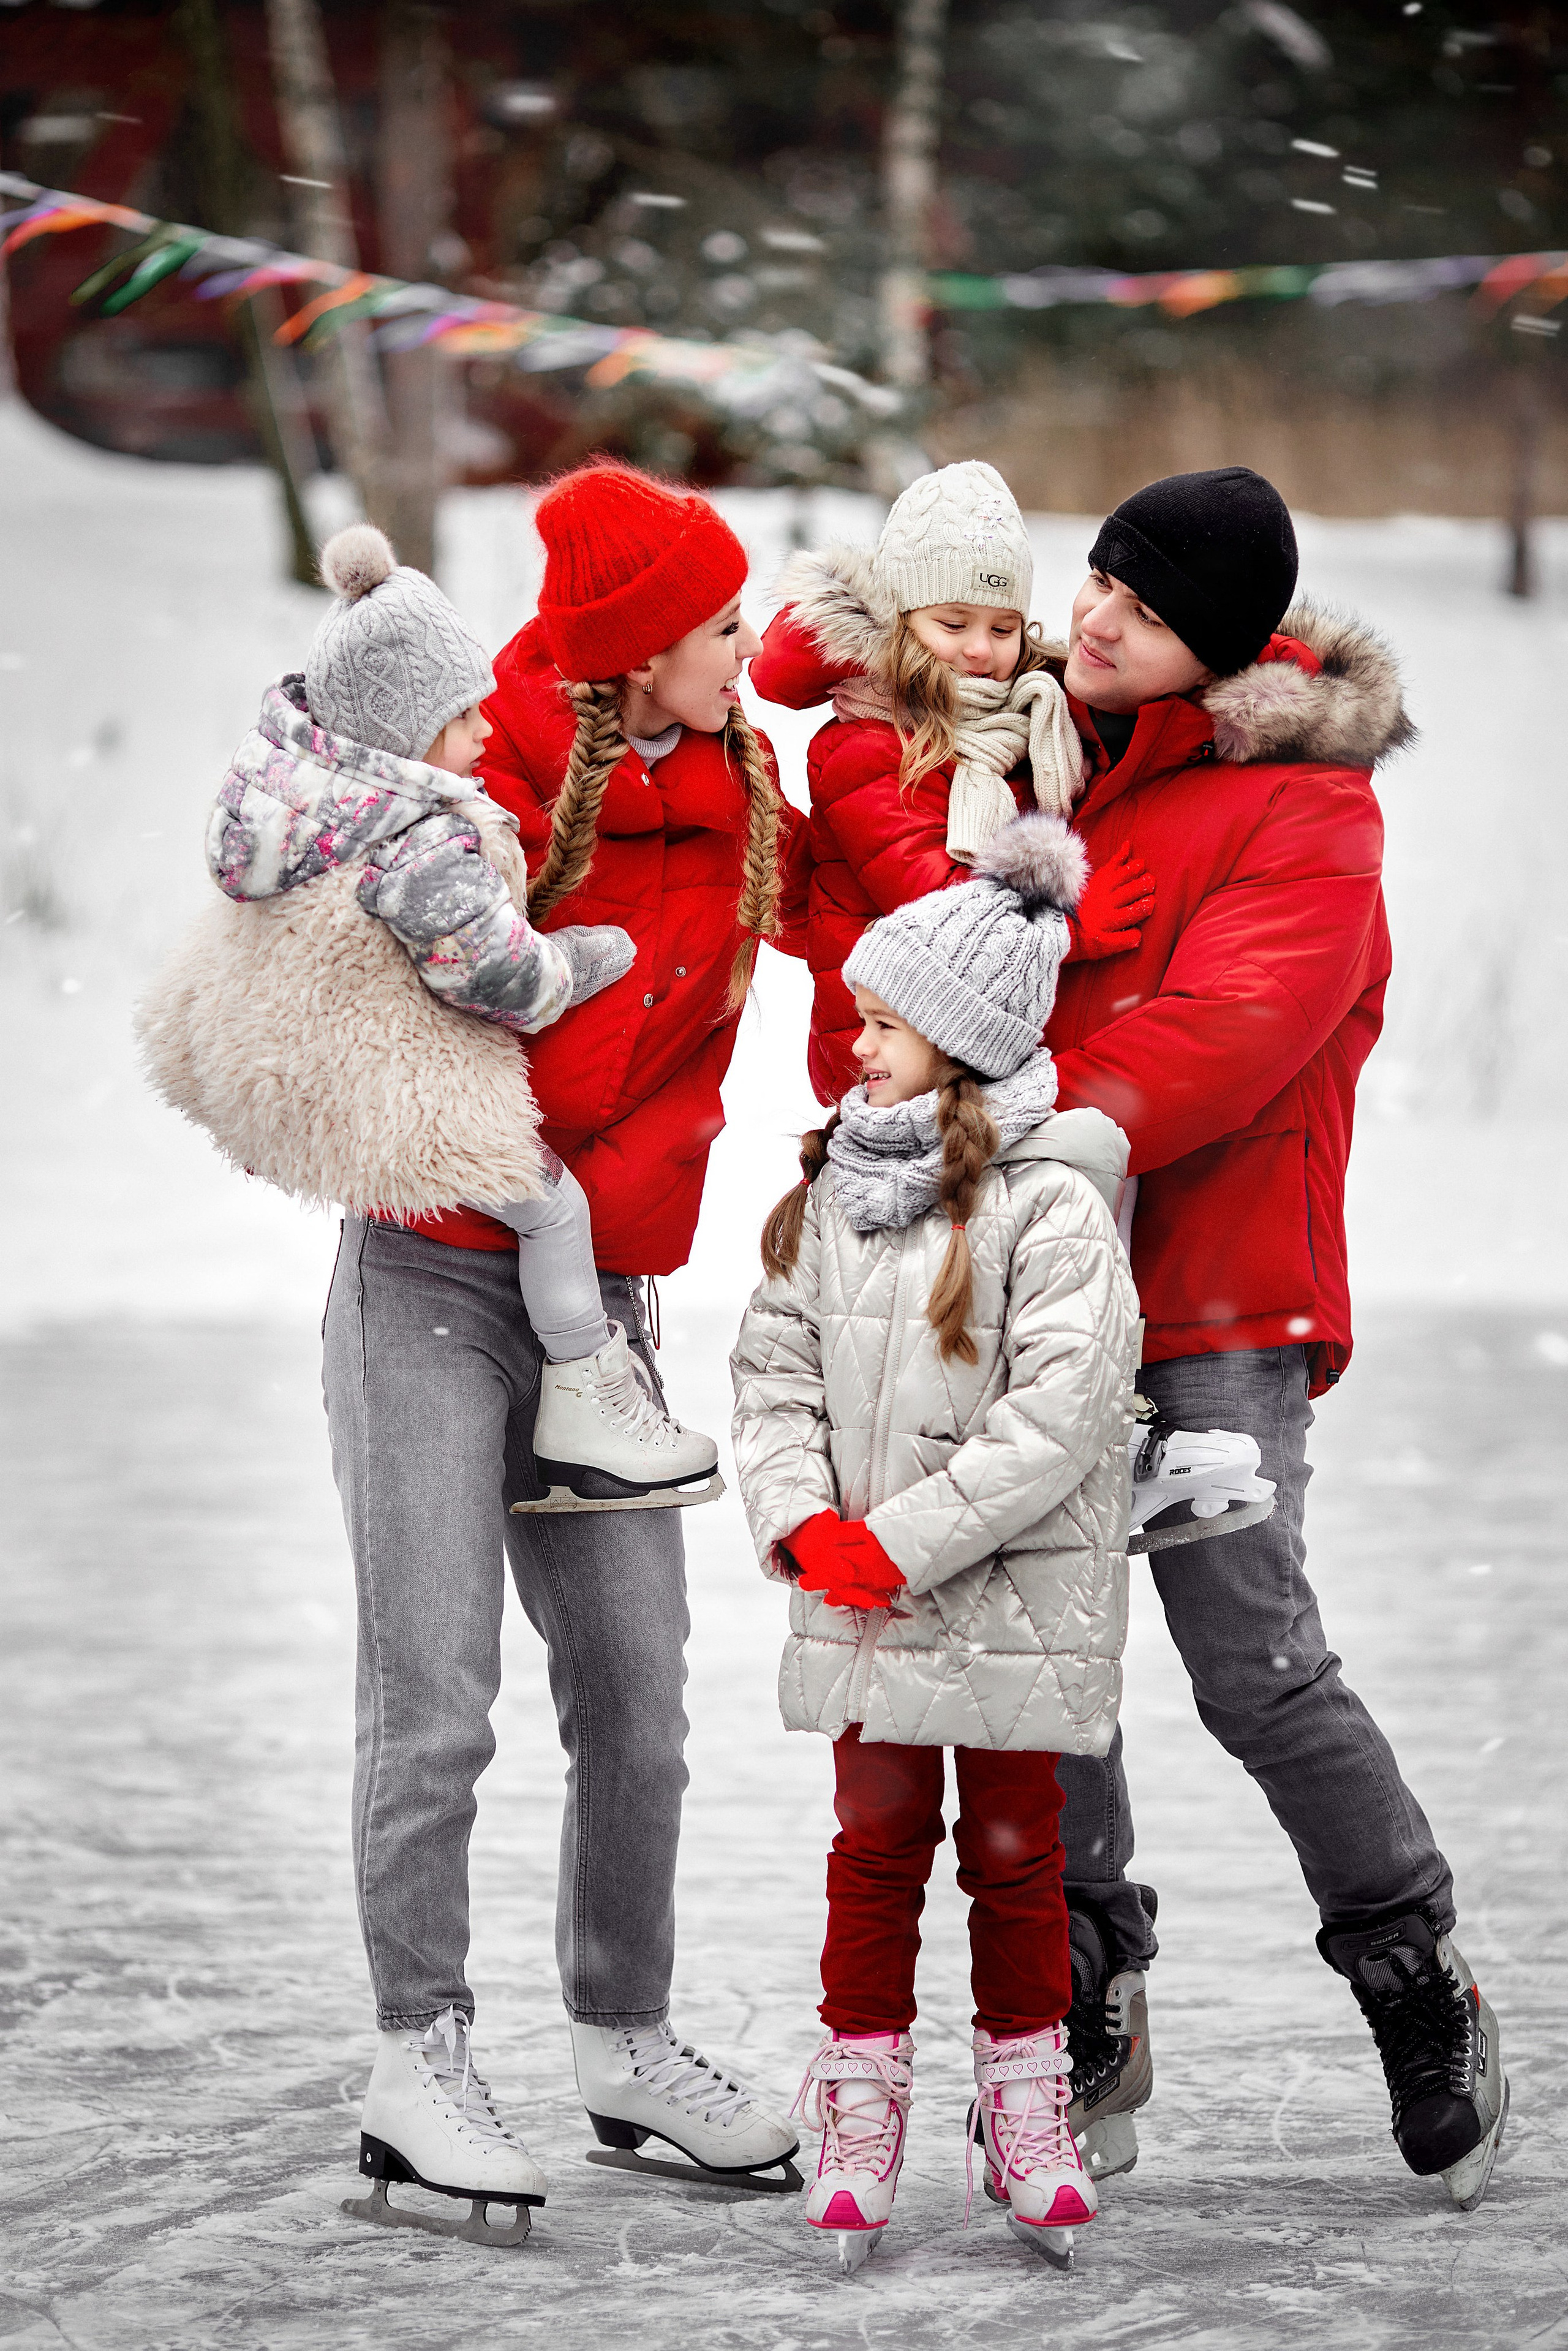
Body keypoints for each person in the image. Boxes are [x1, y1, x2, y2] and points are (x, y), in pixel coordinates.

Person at [753, 459, 1507, 2214]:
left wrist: (1027, 1120)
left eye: (1142, 611)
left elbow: (1233, 1026)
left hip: (1215, 1295)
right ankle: (1088, 1988)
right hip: (1021, 1291)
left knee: (1252, 1652)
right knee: (1041, 1657)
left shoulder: (1306, 804)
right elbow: (900, 903)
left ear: (1219, 645)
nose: (1091, 618)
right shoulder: (1041, 752)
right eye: (1097, 581)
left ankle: (1414, 1970)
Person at [145, 466, 810, 2235]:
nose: (741, 652)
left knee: (642, 1704)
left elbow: (850, 888)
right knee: (434, 1698)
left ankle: (627, 2034)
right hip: (432, 1279)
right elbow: (364, 842)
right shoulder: (486, 750)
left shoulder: (741, 769)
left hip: (616, 1307)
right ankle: (416, 2054)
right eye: (720, 626)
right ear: (636, 648)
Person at [731, 812, 1141, 2273]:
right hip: (864, 1601)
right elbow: (769, 1378)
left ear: (964, 1043)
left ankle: (1027, 2104)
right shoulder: (823, 1198)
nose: (857, 1044)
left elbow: (1058, 1417)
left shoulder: (1053, 1207)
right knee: (874, 1843)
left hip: (1002, 1604)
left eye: (888, 1024)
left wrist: (893, 1541)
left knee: (1019, 1858)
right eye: (857, 1016)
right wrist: (801, 1522)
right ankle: (856, 2094)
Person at [749, 457, 1155, 1106]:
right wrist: (1067, 931)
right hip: (883, 1048)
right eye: (953, 624)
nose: (979, 651)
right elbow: (931, 901)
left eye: (1002, 628)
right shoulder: (867, 747)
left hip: (968, 1037)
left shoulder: (1020, 721)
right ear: (901, 623)